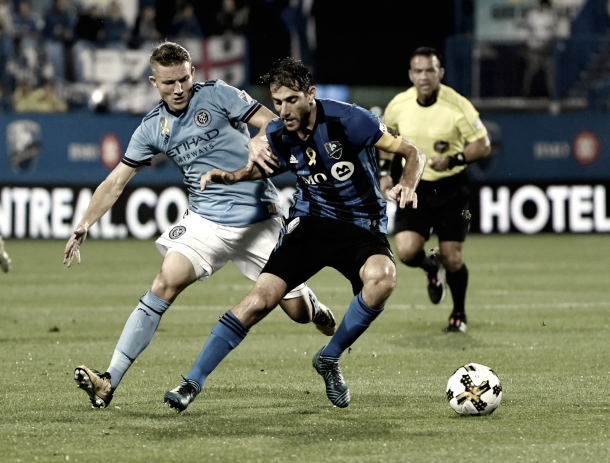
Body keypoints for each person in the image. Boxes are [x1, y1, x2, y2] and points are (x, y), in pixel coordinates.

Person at [64, 42, 336, 409]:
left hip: (259, 219)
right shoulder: (151, 128)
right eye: (168, 83)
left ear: (193, 73)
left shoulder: (219, 94)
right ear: (153, 82)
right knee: (164, 282)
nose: (178, 89)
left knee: (299, 314)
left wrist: (258, 140)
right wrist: (84, 223)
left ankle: (312, 304)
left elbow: (271, 122)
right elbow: (115, 183)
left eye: (183, 79)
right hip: (205, 221)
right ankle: (109, 379)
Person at [162, 57, 425, 411]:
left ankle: (329, 359)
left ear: (310, 95)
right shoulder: (278, 133)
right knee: (259, 300)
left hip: (362, 225)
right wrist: (231, 176)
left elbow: (412, 152)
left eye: (291, 100)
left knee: (383, 279)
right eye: (277, 102)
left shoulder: (350, 119)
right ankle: (192, 382)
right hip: (312, 222)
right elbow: (264, 168)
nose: (283, 110)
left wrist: (408, 184)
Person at [382, 47, 491, 333]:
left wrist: (455, 158)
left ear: (440, 73)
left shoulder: (458, 105)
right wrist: (383, 173)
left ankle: (458, 314)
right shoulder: (398, 105)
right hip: (414, 187)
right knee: (405, 252)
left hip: (454, 189)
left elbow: (483, 145)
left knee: (453, 257)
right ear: (410, 75)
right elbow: (383, 141)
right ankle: (431, 267)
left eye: (430, 70)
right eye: (418, 71)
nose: (424, 76)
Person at [523, 0, 556, 97]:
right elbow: (533, 30)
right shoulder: (532, 15)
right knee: (531, 71)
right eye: (543, 4)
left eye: (546, 5)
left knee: (550, 73)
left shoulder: (550, 15)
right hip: (535, 49)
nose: (544, 6)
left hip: (546, 49)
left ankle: (552, 95)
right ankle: (526, 93)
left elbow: (552, 30)